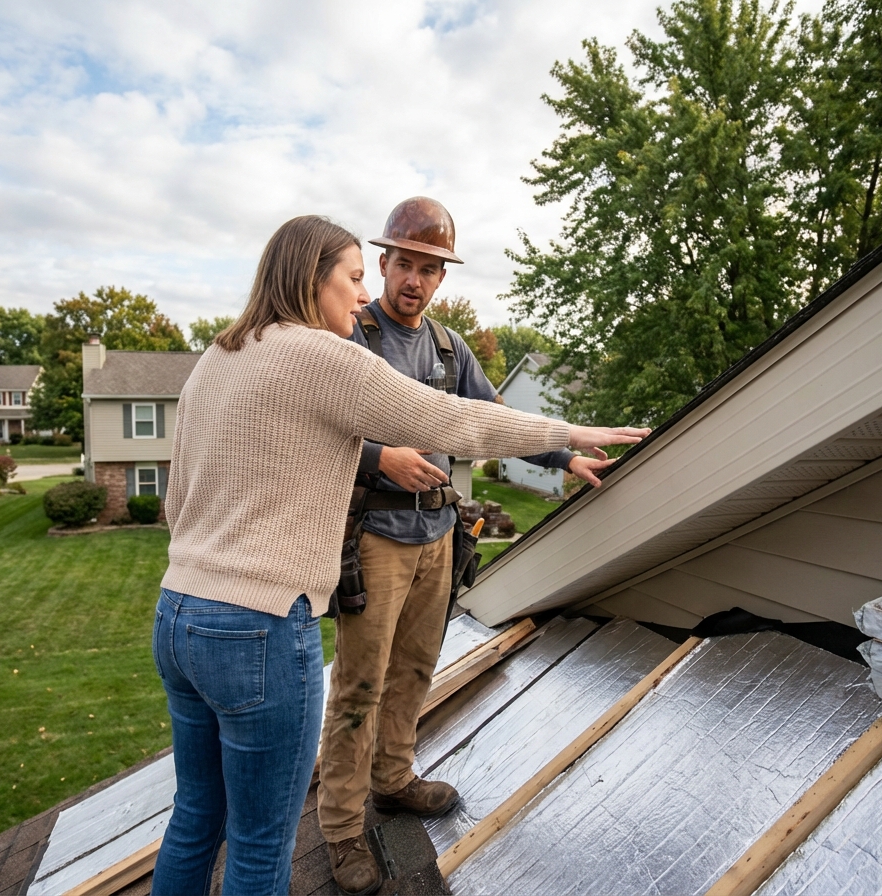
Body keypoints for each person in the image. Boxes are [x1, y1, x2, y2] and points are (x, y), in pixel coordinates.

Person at [148, 214, 649, 896]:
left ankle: (393, 775)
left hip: (178, 615)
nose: (361, 297)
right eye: (354, 278)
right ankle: (345, 827)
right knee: (262, 848)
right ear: (309, 277)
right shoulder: (325, 355)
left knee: (198, 817)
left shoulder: (220, 355)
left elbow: (177, 499)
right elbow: (460, 422)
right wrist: (571, 430)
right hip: (257, 629)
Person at [317, 197, 623, 895]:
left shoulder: (448, 349)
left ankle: (392, 780)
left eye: (430, 270)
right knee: (359, 686)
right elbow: (322, 428)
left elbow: (491, 419)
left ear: (441, 277)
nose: (415, 281)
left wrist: (562, 455)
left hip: (438, 533)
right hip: (375, 539)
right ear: (384, 263)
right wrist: (380, 457)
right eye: (404, 265)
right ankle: (339, 829)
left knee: (416, 670)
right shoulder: (350, 337)